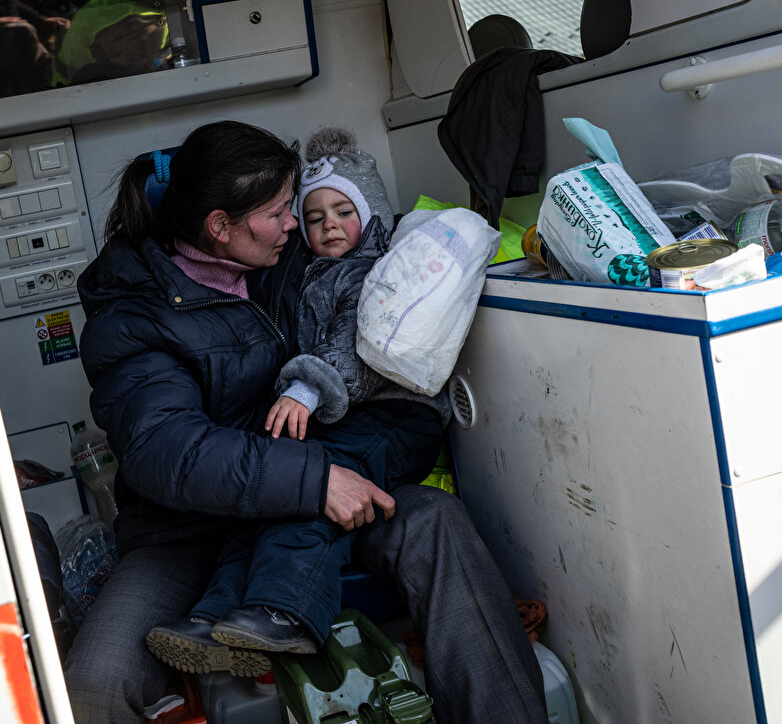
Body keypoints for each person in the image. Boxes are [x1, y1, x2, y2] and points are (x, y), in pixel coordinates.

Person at [63, 120, 547, 724]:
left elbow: (372, 241)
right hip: (188, 529)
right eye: (276, 212)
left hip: (311, 487)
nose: (295, 223)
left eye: (292, 207)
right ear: (219, 227)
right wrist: (317, 480)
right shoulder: (133, 317)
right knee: (94, 683)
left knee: (434, 521)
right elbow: (169, 454)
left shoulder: (284, 253)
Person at [142, 126, 451, 667]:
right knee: (272, 499)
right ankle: (215, 618)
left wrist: (308, 389)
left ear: (372, 213)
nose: (325, 225)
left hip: (392, 417)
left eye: (343, 212)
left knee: (309, 503)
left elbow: (356, 347)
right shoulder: (308, 272)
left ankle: (287, 613)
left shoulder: (372, 275)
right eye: (311, 216)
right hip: (343, 415)